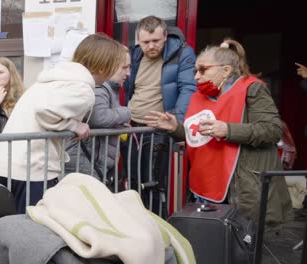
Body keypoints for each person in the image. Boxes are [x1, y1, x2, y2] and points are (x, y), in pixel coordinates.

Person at [144, 39, 292, 226]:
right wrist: (177, 129)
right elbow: (199, 136)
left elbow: (272, 130)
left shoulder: (252, 89)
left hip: (241, 186)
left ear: (226, 71)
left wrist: (228, 130)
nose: (196, 77)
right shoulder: (199, 96)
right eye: (195, 71)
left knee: (240, 247)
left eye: (203, 70)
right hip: (206, 185)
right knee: (212, 242)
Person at [0, 33, 126, 213]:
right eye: (116, 65)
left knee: (10, 230)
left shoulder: (55, 78)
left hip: (7, 163)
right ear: (104, 67)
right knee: (32, 231)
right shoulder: (83, 89)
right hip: (32, 168)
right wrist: (74, 126)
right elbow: (44, 111)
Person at [123, 15, 197, 214]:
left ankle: (157, 229)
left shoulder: (182, 53)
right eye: (146, 42)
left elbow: (188, 89)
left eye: (156, 41)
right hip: (131, 127)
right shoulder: (136, 53)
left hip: (158, 129)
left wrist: (178, 125)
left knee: (153, 183)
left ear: (165, 35)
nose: (151, 46)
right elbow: (129, 86)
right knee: (132, 181)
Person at [65, 46, 131, 185]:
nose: (128, 73)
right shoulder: (100, 88)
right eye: (124, 68)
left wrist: (117, 122)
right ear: (109, 65)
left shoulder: (109, 88)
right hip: (86, 159)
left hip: (92, 159)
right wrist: (127, 112)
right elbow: (99, 117)